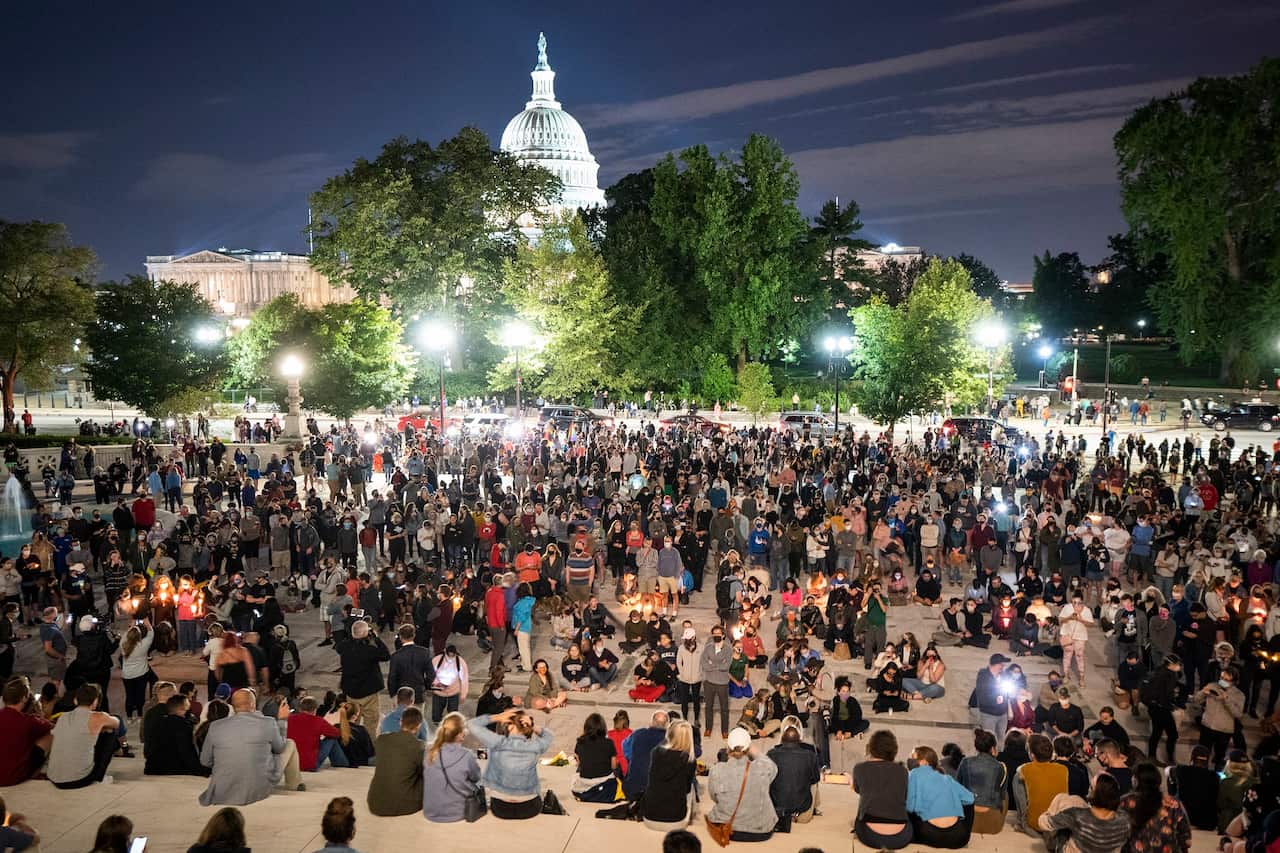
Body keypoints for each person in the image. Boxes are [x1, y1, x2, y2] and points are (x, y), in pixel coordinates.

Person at [199, 688, 305, 805]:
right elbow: (279, 749)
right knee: (290, 743)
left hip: (222, 787)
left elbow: (205, 761)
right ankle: (294, 784)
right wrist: (282, 721)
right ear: (253, 704)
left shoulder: (215, 726)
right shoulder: (268, 722)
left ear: (232, 706)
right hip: (257, 786)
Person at [465, 708, 555, 819]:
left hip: (500, 808)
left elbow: (471, 724)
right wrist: (531, 726)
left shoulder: (497, 742)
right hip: (530, 807)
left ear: (510, 726)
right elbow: (549, 736)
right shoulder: (535, 746)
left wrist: (498, 716)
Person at [706, 727, 778, 842]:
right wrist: (755, 751)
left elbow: (714, 797)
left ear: (728, 747)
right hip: (760, 831)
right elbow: (773, 768)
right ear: (748, 748)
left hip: (725, 826)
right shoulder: (762, 768)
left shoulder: (716, 770)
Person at [47, 683, 125, 788]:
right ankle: (101, 775)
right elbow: (117, 723)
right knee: (110, 731)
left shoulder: (62, 717)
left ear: (75, 700)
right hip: (79, 779)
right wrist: (102, 725)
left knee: (95, 731)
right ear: (95, 702)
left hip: (54, 778)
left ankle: (118, 750)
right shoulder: (99, 717)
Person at [1037, 773, 1130, 853]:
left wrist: (1048, 813)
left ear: (1096, 793)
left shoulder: (1077, 815)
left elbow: (1043, 823)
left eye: (1091, 787)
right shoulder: (1124, 821)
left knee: (1062, 800)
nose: (1088, 789)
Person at [906, 744, 975, 848]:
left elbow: (909, 807)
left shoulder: (914, 774)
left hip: (930, 835)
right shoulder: (947, 778)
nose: (910, 761)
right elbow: (970, 799)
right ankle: (965, 832)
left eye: (913, 758)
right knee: (969, 804)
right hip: (958, 838)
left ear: (924, 762)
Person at [853, 729, 912, 849]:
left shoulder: (859, 768)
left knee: (862, 808)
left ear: (871, 747)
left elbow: (859, 790)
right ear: (893, 749)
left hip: (870, 835)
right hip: (901, 836)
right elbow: (904, 796)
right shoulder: (902, 771)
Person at [420, 711, 482, 822]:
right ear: (459, 734)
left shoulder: (429, 751)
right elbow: (476, 778)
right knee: (478, 783)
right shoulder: (467, 755)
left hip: (430, 811)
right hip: (457, 812)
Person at [1120, 762, 1191, 853]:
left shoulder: (1126, 802)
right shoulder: (1174, 804)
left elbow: (1115, 833)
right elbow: (1186, 840)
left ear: (1135, 781)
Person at [642, 720, 699, 831]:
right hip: (675, 819)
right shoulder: (690, 761)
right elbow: (687, 789)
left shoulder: (656, 752)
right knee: (692, 787)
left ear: (669, 734)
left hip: (650, 815)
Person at [0, 676, 54, 786]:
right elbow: (54, 728)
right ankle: (39, 772)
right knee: (51, 735)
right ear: (25, 698)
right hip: (11, 778)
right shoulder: (29, 721)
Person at [335, 619, 390, 727]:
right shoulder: (369, 651)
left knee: (353, 721)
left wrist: (354, 636)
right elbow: (386, 655)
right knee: (371, 723)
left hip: (350, 691)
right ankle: (369, 742)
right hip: (368, 691)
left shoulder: (344, 647)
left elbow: (340, 646)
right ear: (366, 633)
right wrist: (376, 638)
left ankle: (354, 741)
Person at [768, 720, 821, 826]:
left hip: (776, 805)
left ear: (782, 739)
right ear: (800, 740)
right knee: (814, 783)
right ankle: (811, 810)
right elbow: (815, 779)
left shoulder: (771, 754)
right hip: (802, 806)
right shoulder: (810, 755)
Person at [1013, 733, 1068, 835]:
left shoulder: (1026, 769)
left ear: (1032, 755)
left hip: (1036, 824)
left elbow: (1019, 770)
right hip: (1058, 824)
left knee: (1017, 778)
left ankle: (1022, 821)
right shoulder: (1063, 769)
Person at [144, 693, 210, 776]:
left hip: (153, 767)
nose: (189, 709)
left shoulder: (158, 722)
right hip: (170, 768)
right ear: (180, 709)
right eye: (187, 708)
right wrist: (200, 770)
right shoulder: (182, 725)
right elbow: (186, 751)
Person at [957, 728, 1007, 835]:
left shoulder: (965, 762)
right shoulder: (1000, 766)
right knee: (1005, 794)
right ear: (993, 748)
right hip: (992, 822)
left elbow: (957, 786)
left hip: (968, 820)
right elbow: (1002, 795)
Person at [1195, 664, 1244, 768]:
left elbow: (1238, 714)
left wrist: (1226, 700)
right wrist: (1203, 693)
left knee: (1219, 757)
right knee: (1202, 755)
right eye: (1221, 677)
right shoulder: (1212, 686)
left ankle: (1216, 778)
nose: (1222, 681)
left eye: (1226, 679)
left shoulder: (1239, 695)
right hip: (1207, 726)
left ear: (1234, 681)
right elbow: (1196, 700)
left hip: (1223, 730)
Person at [288, 696, 348, 771]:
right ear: (315, 710)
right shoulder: (318, 721)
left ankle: (343, 763)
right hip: (310, 764)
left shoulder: (290, 719)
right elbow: (336, 733)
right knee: (331, 739)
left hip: (292, 763)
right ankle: (343, 764)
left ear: (300, 708)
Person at [573, 712, 621, 802]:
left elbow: (579, 764)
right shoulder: (609, 742)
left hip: (584, 783)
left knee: (578, 771)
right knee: (618, 768)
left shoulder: (580, 742)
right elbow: (613, 766)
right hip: (605, 784)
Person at [623, 710, 670, 800]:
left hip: (633, 790)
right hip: (657, 793)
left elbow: (626, 750)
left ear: (652, 722)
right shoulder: (669, 740)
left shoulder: (638, 734)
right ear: (667, 725)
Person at [387, 623, 434, 704]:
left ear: (400, 637)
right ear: (414, 635)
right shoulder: (424, 652)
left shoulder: (396, 656)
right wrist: (424, 686)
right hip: (419, 693)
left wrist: (392, 693)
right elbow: (431, 674)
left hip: (401, 694)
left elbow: (392, 677)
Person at [701, 624, 732, 739]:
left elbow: (726, 665)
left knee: (724, 708)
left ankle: (724, 730)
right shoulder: (708, 647)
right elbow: (704, 664)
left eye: (718, 634)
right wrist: (718, 665)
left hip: (722, 683)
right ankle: (708, 728)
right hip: (709, 681)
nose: (716, 636)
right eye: (714, 634)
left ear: (723, 635)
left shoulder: (728, 649)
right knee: (708, 707)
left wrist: (712, 664)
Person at [974, 653, 1012, 744]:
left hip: (1002, 714)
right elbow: (981, 696)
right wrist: (994, 700)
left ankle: (1000, 756)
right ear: (996, 664)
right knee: (989, 740)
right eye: (1001, 664)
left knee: (1001, 738)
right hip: (988, 714)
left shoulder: (1004, 676)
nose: (1003, 667)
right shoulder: (983, 676)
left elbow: (1008, 691)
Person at [430, 644, 470, 722]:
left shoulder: (460, 662)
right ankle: (438, 723)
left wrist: (463, 694)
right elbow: (430, 674)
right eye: (449, 656)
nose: (450, 658)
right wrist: (437, 683)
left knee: (453, 714)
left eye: (453, 656)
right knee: (436, 715)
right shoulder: (437, 660)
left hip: (453, 691)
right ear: (445, 652)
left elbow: (464, 679)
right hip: (439, 691)